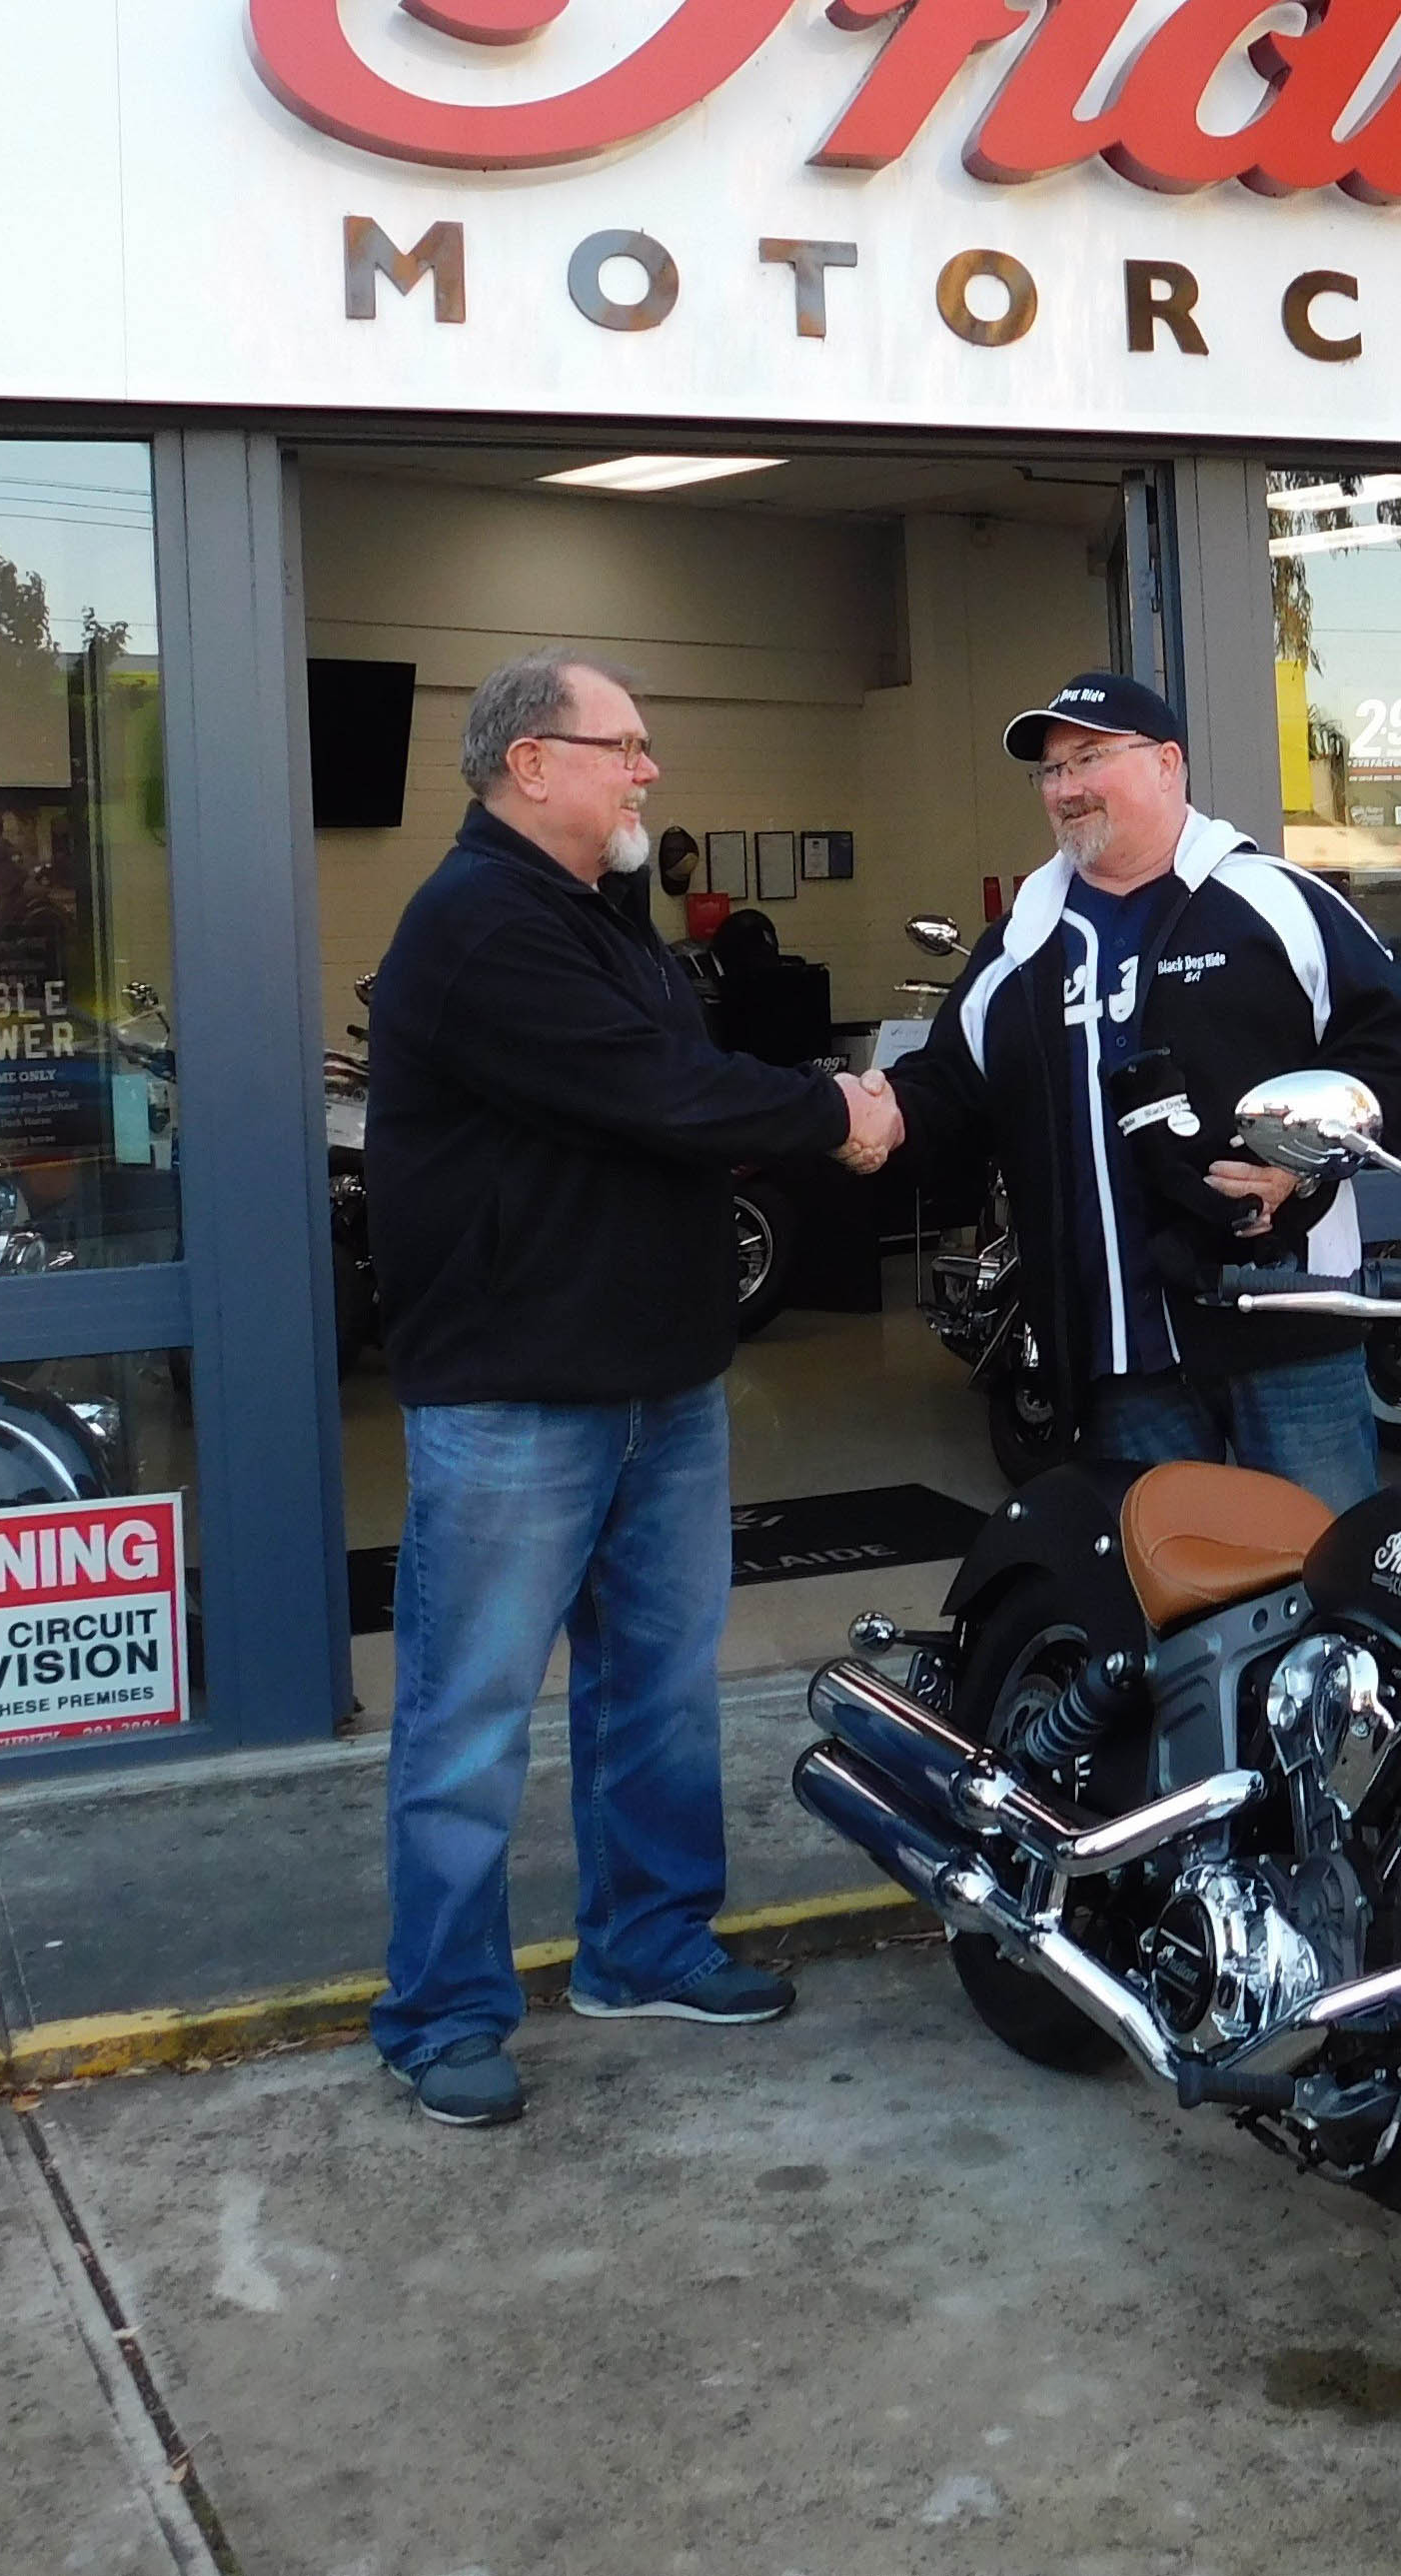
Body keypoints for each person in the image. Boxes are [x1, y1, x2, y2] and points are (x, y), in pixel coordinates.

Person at [364, 649, 900, 2127]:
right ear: (532, 762)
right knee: (469, 1718)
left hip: (660, 1382)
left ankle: (646, 1945)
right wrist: (834, 1113)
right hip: (519, 1396)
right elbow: (659, 1092)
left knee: (655, 1694)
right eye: (625, 747)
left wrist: (786, 1104)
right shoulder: (480, 923)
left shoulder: (600, 921)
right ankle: (440, 2012)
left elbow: (674, 1081)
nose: (648, 771)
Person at [890, 671, 1401, 1512]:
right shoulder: (1022, 944)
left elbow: (1400, 1050)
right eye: (1050, 770)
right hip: (1118, 1351)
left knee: (1321, 1583)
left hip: (1285, 1322)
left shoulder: (1272, 901)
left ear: (1167, 765)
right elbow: (947, 1093)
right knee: (1172, 1614)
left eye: (1090, 758)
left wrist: (1303, 1165)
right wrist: (864, 1117)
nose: (1066, 787)